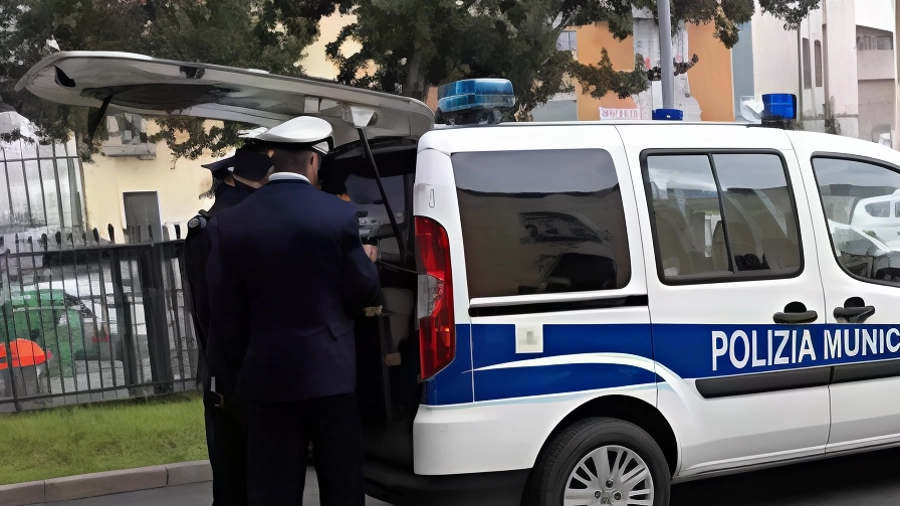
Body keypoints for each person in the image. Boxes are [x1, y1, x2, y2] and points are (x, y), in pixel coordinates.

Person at [205, 116, 380, 506]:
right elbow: (362, 288)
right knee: (342, 487)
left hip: (266, 377)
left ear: (274, 158)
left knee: (272, 490)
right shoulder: (336, 215)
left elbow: (225, 314)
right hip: (330, 374)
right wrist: (368, 262)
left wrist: (237, 376)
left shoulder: (230, 224)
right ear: (314, 161)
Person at [183, 137, 273, 506]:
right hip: (241, 372)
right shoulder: (220, 228)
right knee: (250, 476)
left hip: (226, 373)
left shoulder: (215, 225)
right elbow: (210, 310)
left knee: (235, 475)